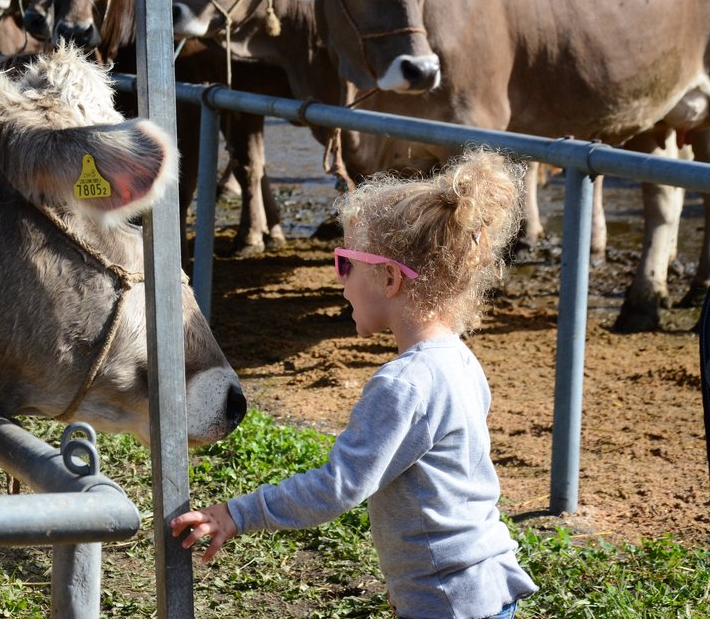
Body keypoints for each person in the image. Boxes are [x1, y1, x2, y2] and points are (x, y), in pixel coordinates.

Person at [171, 148, 538, 619]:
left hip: (447, 601)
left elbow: (338, 487)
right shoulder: (460, 361)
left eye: (346, 263)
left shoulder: (404, 385)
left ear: (388, 279)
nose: (340, 283)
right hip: (475, 585)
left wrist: (236, 515)